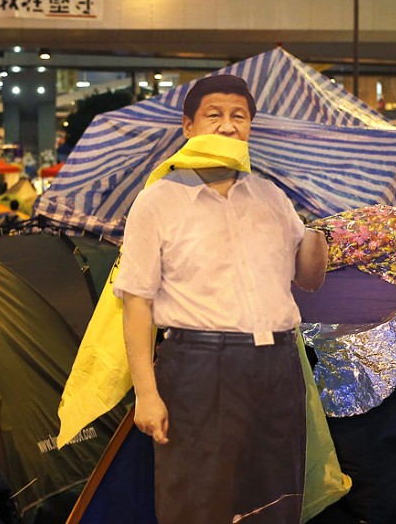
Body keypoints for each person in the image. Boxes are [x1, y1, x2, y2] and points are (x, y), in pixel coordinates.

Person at [116, 74, 327, 524]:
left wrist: (318, 226)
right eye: (214, 115)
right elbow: (136, 303)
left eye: (239, 117)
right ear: (188, 126)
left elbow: (309, 279)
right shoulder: (157, 201)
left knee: (276, 495)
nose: (228, 127)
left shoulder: (272, 196)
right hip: (198, 366)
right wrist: (146, 395)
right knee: (197, 498)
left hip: (277, 363)